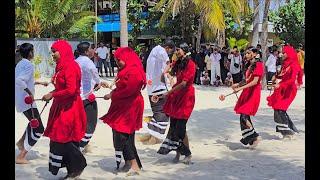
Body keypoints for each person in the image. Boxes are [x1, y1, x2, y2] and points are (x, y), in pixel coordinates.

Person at [42, 40, 87, 178]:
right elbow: (61, 87)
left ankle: (78, 166)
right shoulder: (61, 67)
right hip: (60, 106)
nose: (53, 55)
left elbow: (71, 89)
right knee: (60, 138)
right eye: (52, 52)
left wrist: (53, 94)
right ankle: (72, 170)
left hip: (70, 108)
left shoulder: (71, 67)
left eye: (55, 52)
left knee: (64, 138)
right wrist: (53, 93)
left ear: (63, 51)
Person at [99, 47, 146, 176]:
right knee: (126, 136)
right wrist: (112, 90)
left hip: (130, 106)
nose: (117, 62)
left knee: (122, 135)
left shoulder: (134, 71)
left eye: (118, 59)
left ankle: (134, 165)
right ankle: (131, 162)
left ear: (127, 58)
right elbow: (120, 86)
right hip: (123, 105)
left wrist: (112, 95)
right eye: (115, 59)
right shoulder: (125, 70)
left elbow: (129, 90)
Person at [158, 42, 195, 165]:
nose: (176, 52)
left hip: (186, 98)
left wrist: (168, 93)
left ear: (184, 50)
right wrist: (170, 63)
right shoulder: (179, 63)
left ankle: (187, 153)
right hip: (176, 96)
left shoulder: (190, 64)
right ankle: (179, 153)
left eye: (178, 50)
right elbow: (168, 72)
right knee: (173, 126)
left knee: (180, 128)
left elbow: (184, 84)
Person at [15, 43, 48, 164]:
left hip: (21, 100)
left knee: (32, 122)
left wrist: (39, 83)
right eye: (33, 51)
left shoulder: (20, 63)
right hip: (26, 101)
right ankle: (21, 156)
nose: (33, 53)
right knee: (39, 128)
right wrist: (29, 92)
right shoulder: (28, 64)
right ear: (30, 52)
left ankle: (21, 142)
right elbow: (19, 80)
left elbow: (24, 80)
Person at [142, 40, 175, 145]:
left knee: (158, 113)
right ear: (168, 48)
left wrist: (168, 76)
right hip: (158, 87)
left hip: (152, 88)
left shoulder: (154, 51)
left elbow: (162, 68)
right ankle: (153, 136)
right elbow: (168, 63)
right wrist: (167, 74)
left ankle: (152, 136)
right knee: (163, 113)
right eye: (171, 51)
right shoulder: (161, 50)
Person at [267, 45, 303, 139]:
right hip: (282, 88)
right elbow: (283, 76)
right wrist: (276, 77)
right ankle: (291, 130)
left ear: (290, 53)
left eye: (284, 52)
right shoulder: (285, 64)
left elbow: (291, 80)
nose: (281, 54)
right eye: (282, 52)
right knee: (278, 108)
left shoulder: (294, 65)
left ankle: (287, 133)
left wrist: (280, 85)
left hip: (290, 90)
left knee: (280, 109)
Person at [232, 49, 264, 148]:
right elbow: (247, 80)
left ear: (255, 54)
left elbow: (255, 81)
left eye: (248, 53)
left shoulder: (259, 65)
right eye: (245, 53)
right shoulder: (249, 65)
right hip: (247, 91)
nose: (246, 55)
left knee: (244, 116)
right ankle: (252, 139)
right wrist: (237, 84)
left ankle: (255, 136)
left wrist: (240, 88)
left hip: (253, 92)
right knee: (244, 115)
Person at [75, 42, 101, 153]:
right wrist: (99, 83)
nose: (93, 50)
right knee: (91, 124)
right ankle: (79, 148)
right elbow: (95, 75)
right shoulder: (88, 62)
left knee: (80, 123)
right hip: (86, 97)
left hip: (76, 98)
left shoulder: (75, 61)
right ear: (86, 51)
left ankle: (80, 145)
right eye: (91, 48)